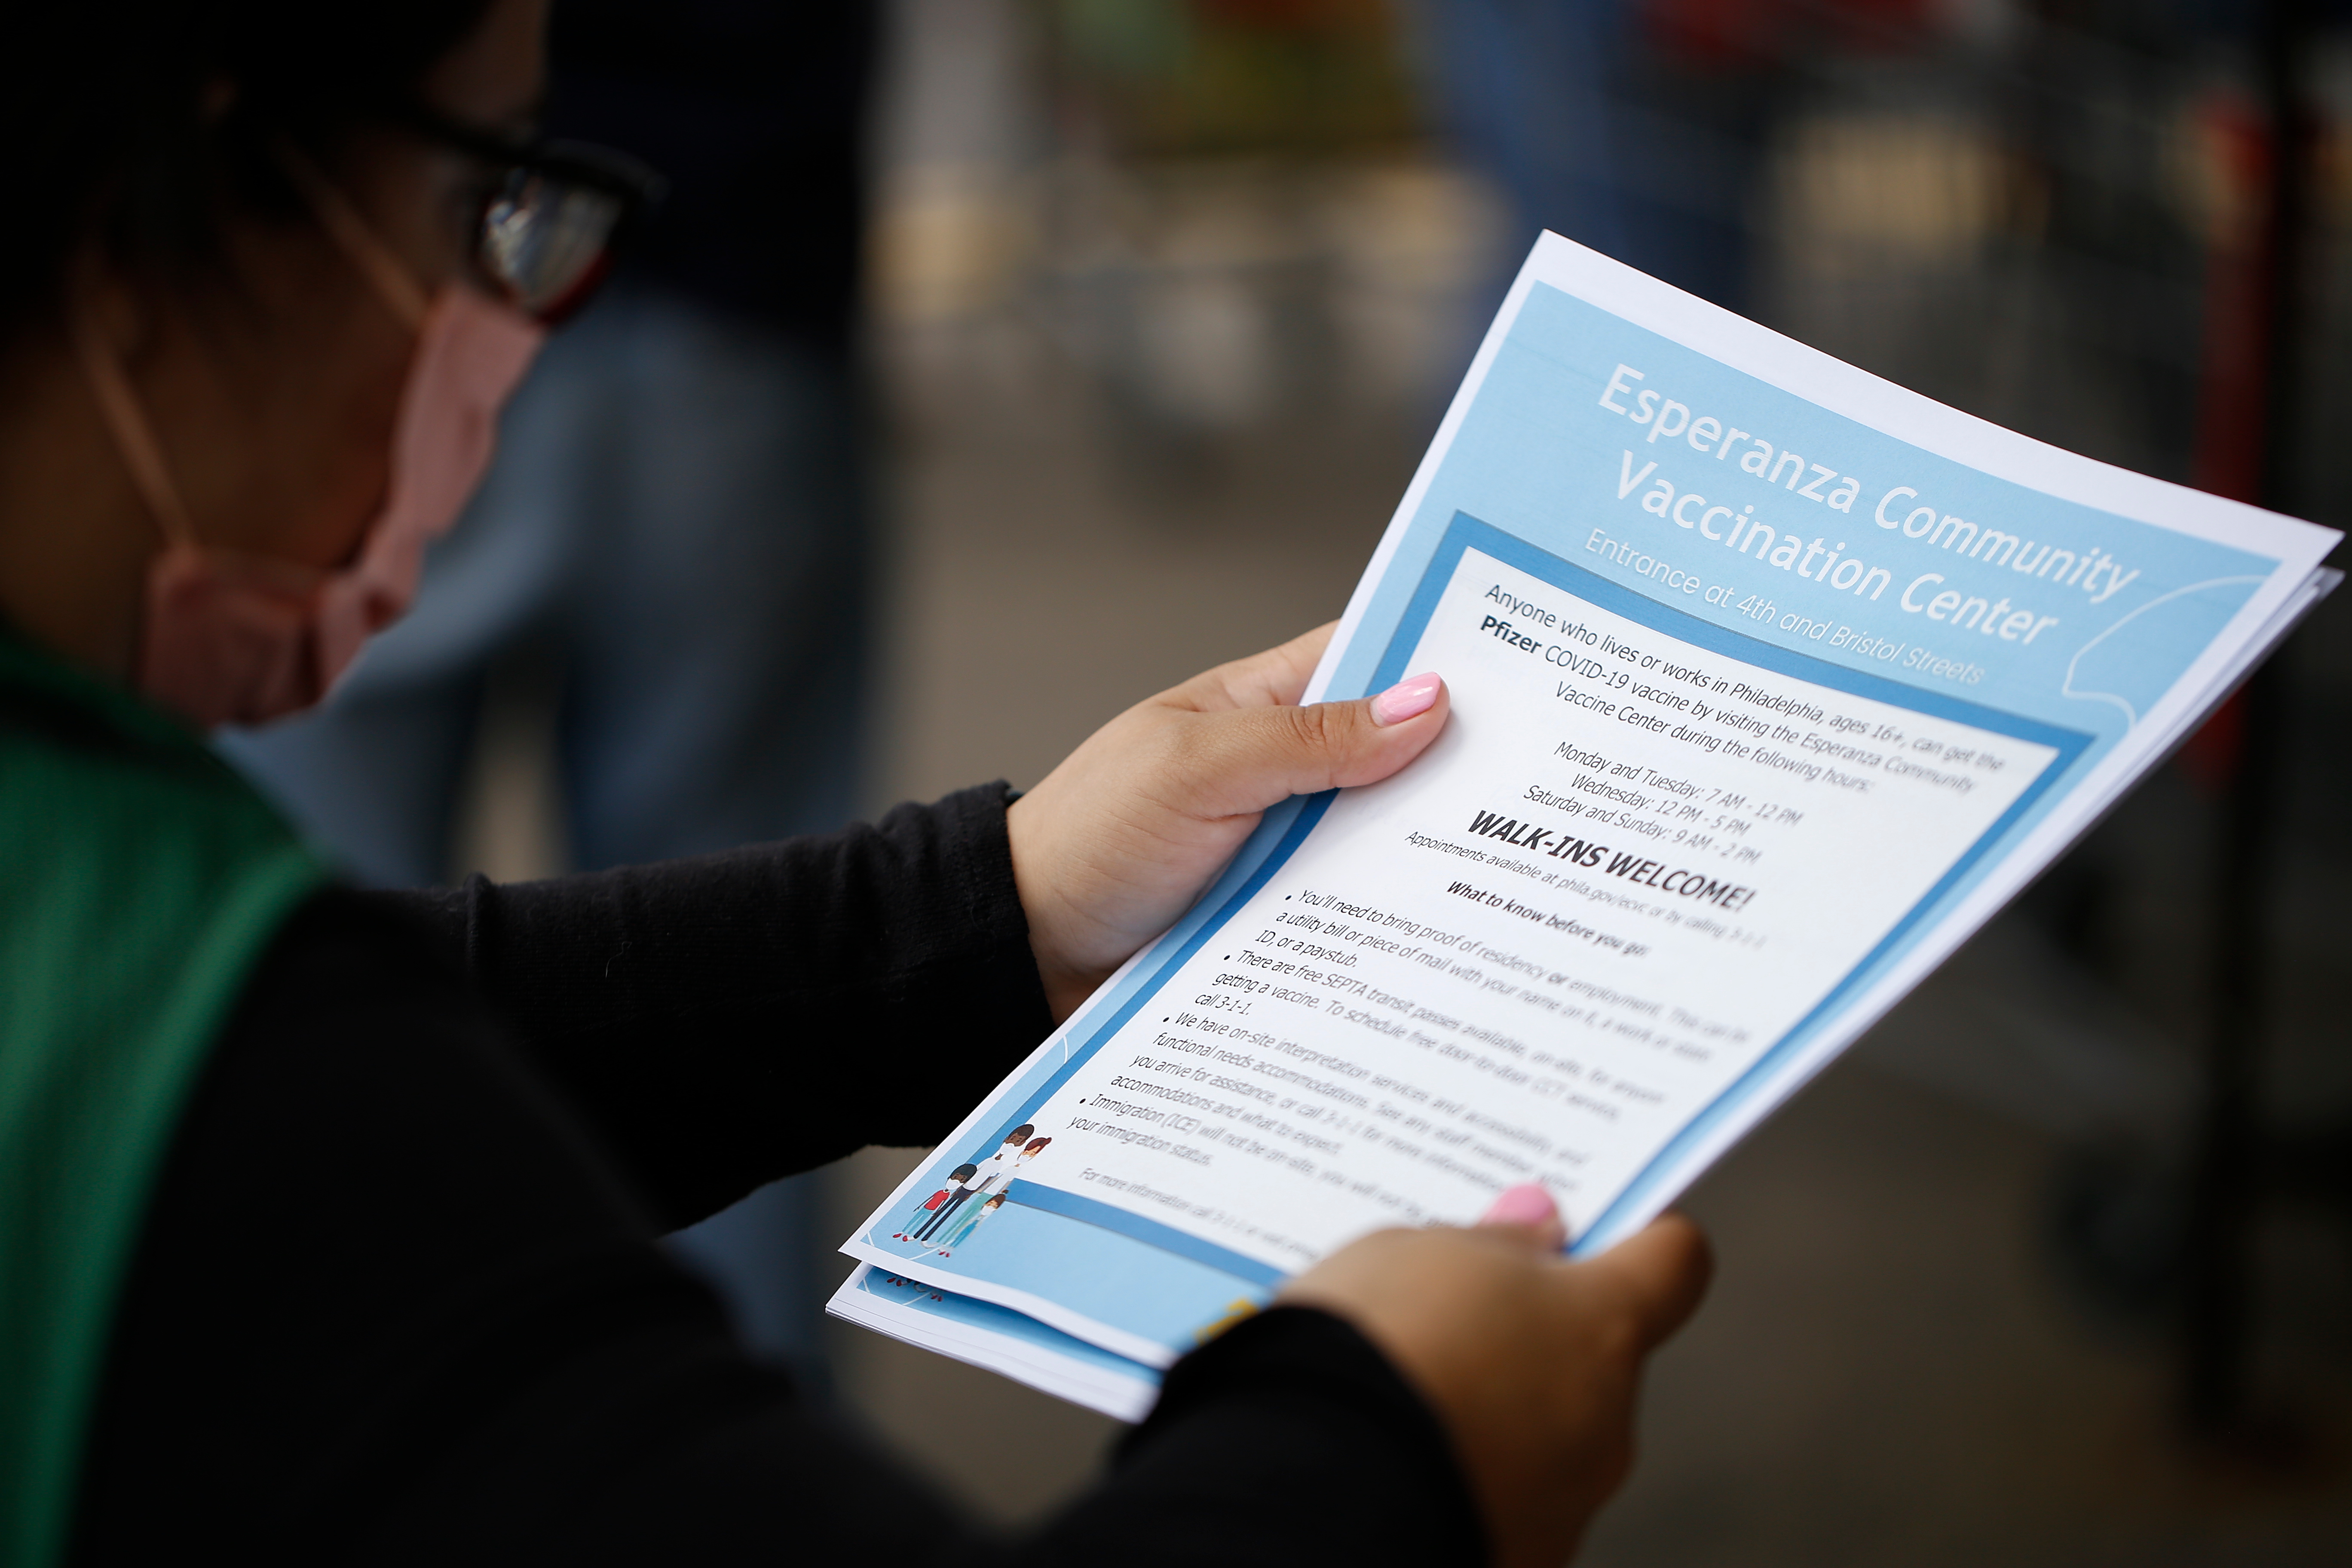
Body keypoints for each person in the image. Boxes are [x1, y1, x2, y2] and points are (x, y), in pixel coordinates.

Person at [0, 6, 1712, 1567]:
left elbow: (377, 1061)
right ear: (167, 208)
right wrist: (1386, 1440)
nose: (513, 325)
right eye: (483, 208)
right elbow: (295, 1114)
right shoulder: (158, 1011)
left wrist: (1003, 909)